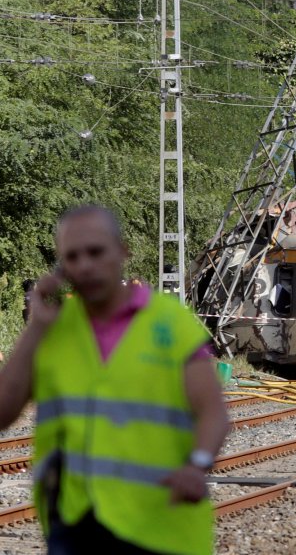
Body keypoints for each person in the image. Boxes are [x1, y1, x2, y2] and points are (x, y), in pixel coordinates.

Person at [0, 206, 230, 555]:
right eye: (72, 257)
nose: (85, 265)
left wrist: (197, 464)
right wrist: (35, 329)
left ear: (122, 251)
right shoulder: (54, 330)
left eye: (95, 252)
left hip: (160, 522)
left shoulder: (169, 322)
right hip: (76, 523)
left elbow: (213, 413)